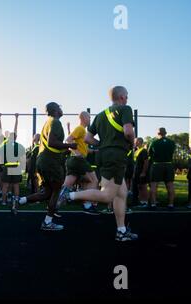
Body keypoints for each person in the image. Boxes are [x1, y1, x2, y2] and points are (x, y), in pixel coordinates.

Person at [57, 86, 138, 241]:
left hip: (105, 155)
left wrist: (103, 145)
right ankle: (70, 195)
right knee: (107, 195)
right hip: (116, 156)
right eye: (126, 96)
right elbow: (128, 132)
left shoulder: (100, 115)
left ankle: (121, 231)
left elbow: (88, 139)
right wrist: (131, 142)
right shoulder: (125, 109)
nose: (127, 98)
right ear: (121, 97)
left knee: (121, 193)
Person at [18, 102, 76, 230]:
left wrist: (64, 149)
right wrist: (70, 146)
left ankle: (19, 201)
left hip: (43, 160)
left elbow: (52, 144)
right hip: (50, 162)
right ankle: (47, 222)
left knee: (47, 192)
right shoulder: (55, 122)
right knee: (56, 190)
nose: (61, 110)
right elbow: (52, 142)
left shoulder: (47, 122)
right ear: (55, 110)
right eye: (60, 108)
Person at [63, 111, 99, 214]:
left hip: (73, 161)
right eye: (89, 117)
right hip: (78, 160)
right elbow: (68, 140)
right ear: (84, 118)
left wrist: (95, 151)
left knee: (67, 185)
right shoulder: (80, 129)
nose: (90, 120)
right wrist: (77, 153)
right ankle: (87, 204)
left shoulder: (83, 132)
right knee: (94, 181)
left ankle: (54, 206)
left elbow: (83, 148)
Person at [0, 131, 25, 214]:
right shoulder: (20, 146)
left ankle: (4, 202)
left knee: (5, 185)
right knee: (16, 185)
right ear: (16, 137)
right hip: (16, 166)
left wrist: (1, 165)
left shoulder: (5, 146)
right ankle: (15, 202)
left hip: (7, 166)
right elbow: (23, 158)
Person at [148, 127, 176, 210]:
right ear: (165, 133)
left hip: (157, 165)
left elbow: (149, 153)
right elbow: (172, 152)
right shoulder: (171, 142)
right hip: (169, 165)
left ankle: (153, 204)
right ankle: (171, 204)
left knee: (153, 185)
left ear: (158, 133)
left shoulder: (154, 142)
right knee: (170, 185)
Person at [132, 137, 149, 208]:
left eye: (135, 141)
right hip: (136, 173)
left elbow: (146, 162)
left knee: (143, 186)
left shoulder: (143, 151)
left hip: (141, 172)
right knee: (138, 187)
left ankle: (145, 202)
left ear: (139, 142)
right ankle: (140, 202)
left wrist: (144, 172)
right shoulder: (136, 151)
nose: (134, 142)